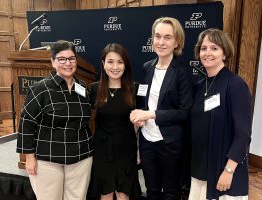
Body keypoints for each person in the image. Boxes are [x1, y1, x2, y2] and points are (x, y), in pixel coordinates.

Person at [16, 40, 94, 200]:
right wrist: (29, 158)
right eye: (62, 59)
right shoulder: (40, 89)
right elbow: (26, 124)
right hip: (48, 158)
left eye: (71, 58)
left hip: (80, 157)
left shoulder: (83, 87)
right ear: (52, 62)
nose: (68, 63)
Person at [130, 17, 193, 200]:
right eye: (157, 36)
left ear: (177, 42)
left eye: (167, 37)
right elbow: (144, 101)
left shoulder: (181, 72)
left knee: (171, 193)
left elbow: (184, 111)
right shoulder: (147, 67)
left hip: (170, 143)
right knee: (151, 190)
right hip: (147, 140)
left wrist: (151, 114)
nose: (161, 42)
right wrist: (140, 116)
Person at [189, 28, 252, 200]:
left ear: (224, 53)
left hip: (223, 172)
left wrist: (229, 170)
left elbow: (243, 135)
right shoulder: (199, 85)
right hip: (200, 170)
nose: (207, 53)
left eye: (214, 48)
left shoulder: (235, 84)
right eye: (204, 48)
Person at [89, 43, 141, 200]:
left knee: (123, 194)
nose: (115, 66)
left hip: (126, 148)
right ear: (103, 64)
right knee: (105, 193)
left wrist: (139, 148)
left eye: (120, 62)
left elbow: (139, 123)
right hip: (102, 148)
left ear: (126, 65)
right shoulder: (94, 89)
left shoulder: (135, 88)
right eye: (110, 61)